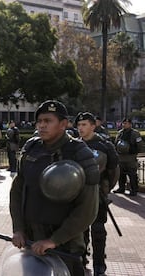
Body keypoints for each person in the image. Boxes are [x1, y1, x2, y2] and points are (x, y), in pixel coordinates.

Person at [10, 100, 100, 276]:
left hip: (64, 247)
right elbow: (17, 191)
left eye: (48, 121)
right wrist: (18, 228)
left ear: (63, 124)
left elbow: (88, 209)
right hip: (31, 242)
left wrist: (54, 240)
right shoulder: (31, 148)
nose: (42, 125)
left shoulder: (80, 153)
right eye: (39, 121)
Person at [76, 112, 120, 276]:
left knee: (98, 231)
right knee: (80, 230)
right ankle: (81, 259)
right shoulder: (74, 145)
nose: (80, 128)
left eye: (84, 125)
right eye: (79, 125)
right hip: (78, 196)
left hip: (98, 195)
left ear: (93, 126)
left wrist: (106, 189)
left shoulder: (105, 145)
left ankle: (99, 265)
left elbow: (114, 171)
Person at [113, 118, 143, 196]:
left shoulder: (135, 133)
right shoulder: (120, 133)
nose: (124, 125)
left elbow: (140, 145)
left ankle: (134, 190)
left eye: (126, 123)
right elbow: (116, 143)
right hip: (121, 157)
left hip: (130, 158)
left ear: (130, 124)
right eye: (123, 123)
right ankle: (121, 188)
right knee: (121, 174)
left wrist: (134, 151)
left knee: (132, 175)